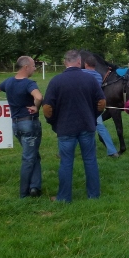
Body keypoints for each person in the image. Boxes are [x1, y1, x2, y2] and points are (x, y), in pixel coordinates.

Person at [43, 50, 105, 202]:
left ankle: (64, 197)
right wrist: (93, 116)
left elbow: (47, 108)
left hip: (65, 128)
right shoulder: (90, 79)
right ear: (79, 62)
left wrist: (53, 122)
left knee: (66, 162)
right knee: (90, 160)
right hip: (87, 125)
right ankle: (94, 195)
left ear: (65, 62)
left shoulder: (56, 81)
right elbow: (102, 102)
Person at [0, 56, 43, 198]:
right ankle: (24, 192)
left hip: (16, 125)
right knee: (28, 158)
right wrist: (36, 106)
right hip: (29, 124)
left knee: (34, 155)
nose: (35, 68)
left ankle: (35, 187)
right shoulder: (29, 84)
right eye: (34, 66)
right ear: (26, 67)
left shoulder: (9, 82)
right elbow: (39, 97)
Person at [81, 54, 120, 158]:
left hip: (83, 106)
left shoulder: (82, 73)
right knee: (101, 128)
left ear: (85, 64)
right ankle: (112, 151)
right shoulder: (98, 76)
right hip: (94, 107)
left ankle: (64, 152)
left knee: (74, 128)